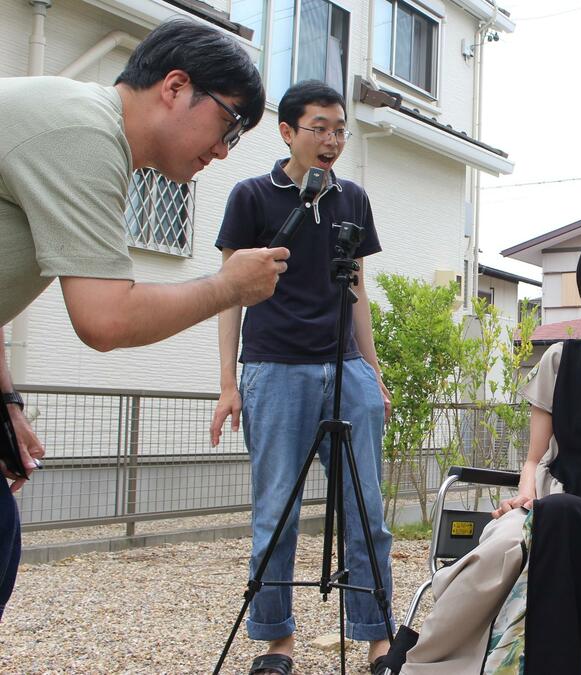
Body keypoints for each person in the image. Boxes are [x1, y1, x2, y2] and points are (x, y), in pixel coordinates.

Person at [0, 19, 286, 621]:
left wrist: (5, 399)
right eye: (229, 124)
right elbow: (104, 319)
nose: (224, 150)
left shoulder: (86, 131)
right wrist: (227, 286)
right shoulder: (83, 134)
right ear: (176, 87)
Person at [400, 229, 581, 674]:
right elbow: (534, 459)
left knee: (528, 542)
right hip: (542, 500)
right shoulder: (560, 361)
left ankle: (421, 663)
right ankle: (428, 662)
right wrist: (527, 497)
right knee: (502, 545)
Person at [209, 80, 394, 675]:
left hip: (343, 366)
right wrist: (228, 383)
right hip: (273, 367)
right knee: (276, 510)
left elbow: (358, 290)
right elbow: (228, 295)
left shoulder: (353, 199)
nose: (333, 140)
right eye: (320, 128)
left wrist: (373, 371)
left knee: (367, 507)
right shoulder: (251, 197)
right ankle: (276, 641)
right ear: (287, 131)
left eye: (340, 129)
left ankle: (377, 636)